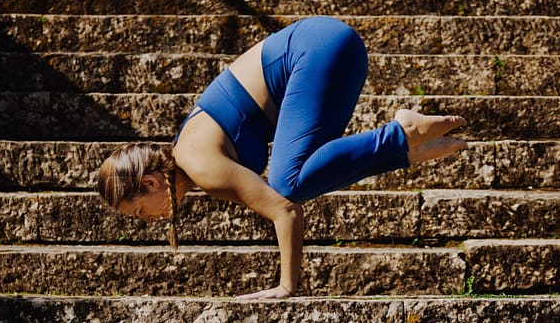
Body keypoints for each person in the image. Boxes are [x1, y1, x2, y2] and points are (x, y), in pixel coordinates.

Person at [97, 15, 467, 300]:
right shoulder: (191, 155)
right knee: (301, 175)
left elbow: (285, 209)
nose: (149, 220)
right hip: (330, 47)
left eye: (141, 211)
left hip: (317, 51)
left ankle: (401, 133)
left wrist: (286, 286)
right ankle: (404, 149)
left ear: (150, 182)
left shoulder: (199, 164)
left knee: (287, 183)